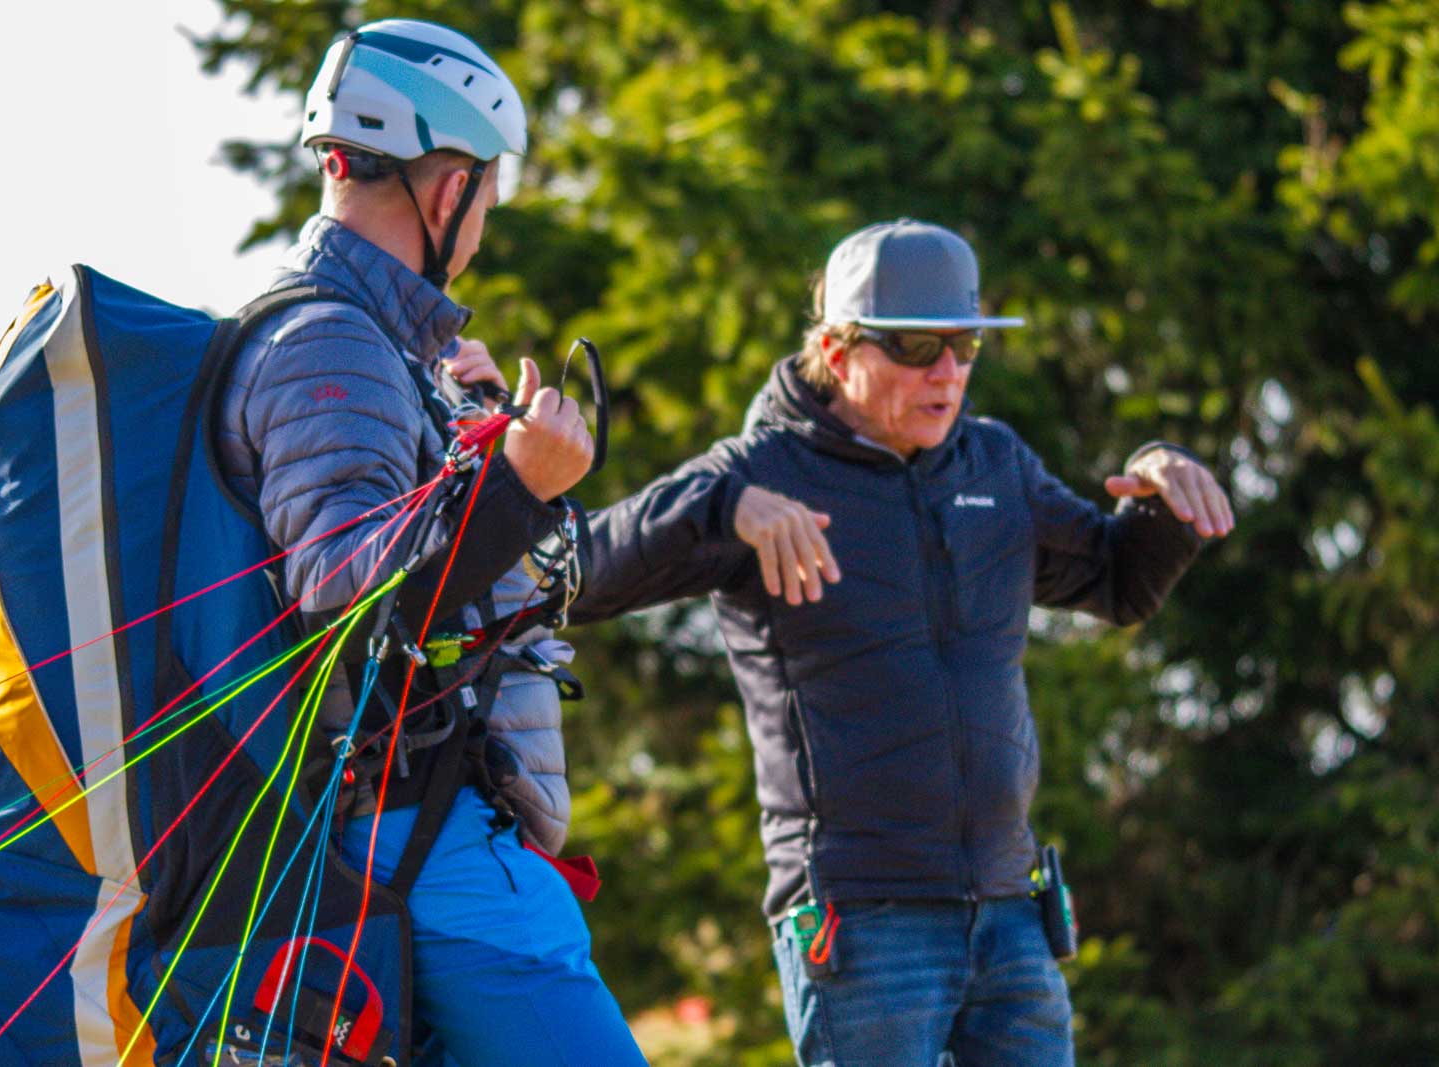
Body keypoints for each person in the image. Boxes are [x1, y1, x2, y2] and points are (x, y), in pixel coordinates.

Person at [570, 218, 1235, 1067]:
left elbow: (1117, 583)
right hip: (861, 923)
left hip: (1011, 908)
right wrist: (719, 508)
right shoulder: (757, 473)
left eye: (965, 345)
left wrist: (1161, 489)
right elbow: (579, 574)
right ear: (836, 350)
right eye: (919, 347)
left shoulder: (995, 465)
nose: (947, 372)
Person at [216, 19, 646, 1065]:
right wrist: (519, 484)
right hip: (421, 835)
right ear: (450, 191)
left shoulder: (365, 346)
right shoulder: (331, 341)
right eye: (489, 195)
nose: (485, 223)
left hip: (420, 826)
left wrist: (474, 437)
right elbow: (350, 592)